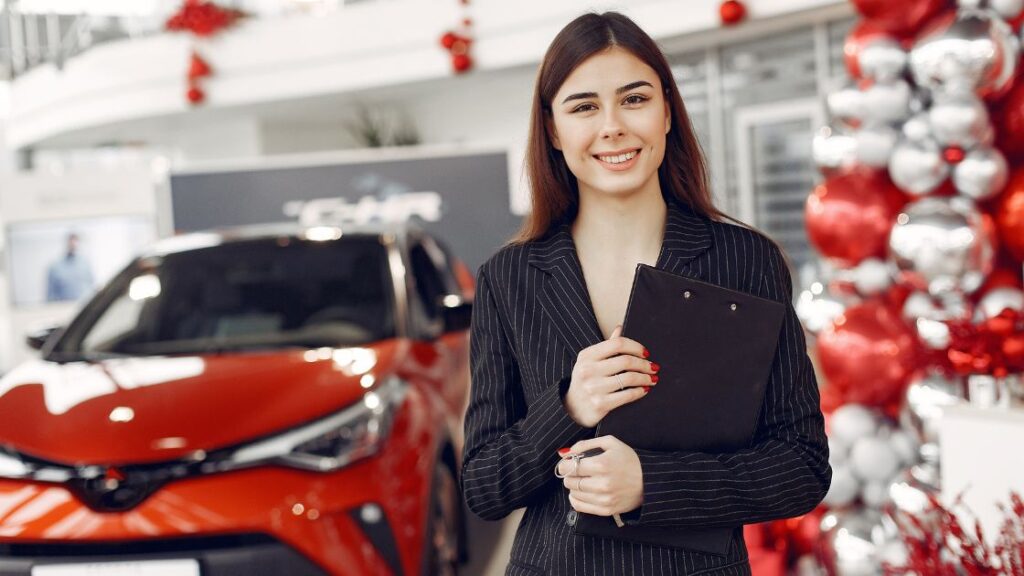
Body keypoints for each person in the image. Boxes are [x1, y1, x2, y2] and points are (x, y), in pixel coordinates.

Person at [460, 11, 831, 575]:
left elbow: (800, 466)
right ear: (554, 131)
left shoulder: (744, 260)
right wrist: (567, 408)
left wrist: (651, 485)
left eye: (634, 99)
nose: (612, 126)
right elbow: (484, 487)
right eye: (584, 106)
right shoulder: (508, 277)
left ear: (666, 113)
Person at [46, 232, 95, 302]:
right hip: (63, 308)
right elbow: (50, 295)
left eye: (75, 240)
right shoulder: (55, 267)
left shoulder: (86, 264)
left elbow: (92, 286)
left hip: (84, 306)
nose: (73, 243)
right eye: (71, 240)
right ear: (67, 242)